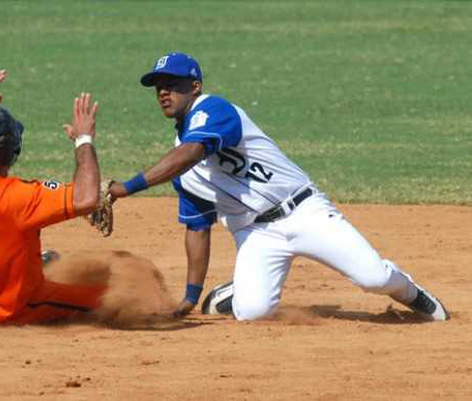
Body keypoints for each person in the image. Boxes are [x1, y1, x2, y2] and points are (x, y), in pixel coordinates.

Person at [108, 52, 449, 322]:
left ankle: (409, 291)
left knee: (373, 279)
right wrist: (189, 298)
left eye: (173, 83)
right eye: (158, 86)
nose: (164, 91)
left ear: (194, 86)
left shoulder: (214, 110)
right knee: (252, 313)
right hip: (257, 234)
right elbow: (197, 229)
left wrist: (127, 187)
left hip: (303, 211)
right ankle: (234, 294)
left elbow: (192, 152)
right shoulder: (182, 172)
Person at [0, 70, 106, 325]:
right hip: (9, 307)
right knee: (111, 297)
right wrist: (84, 139)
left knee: (43, 256)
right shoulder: (17, 197)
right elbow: (86, 198)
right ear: (13, 151)